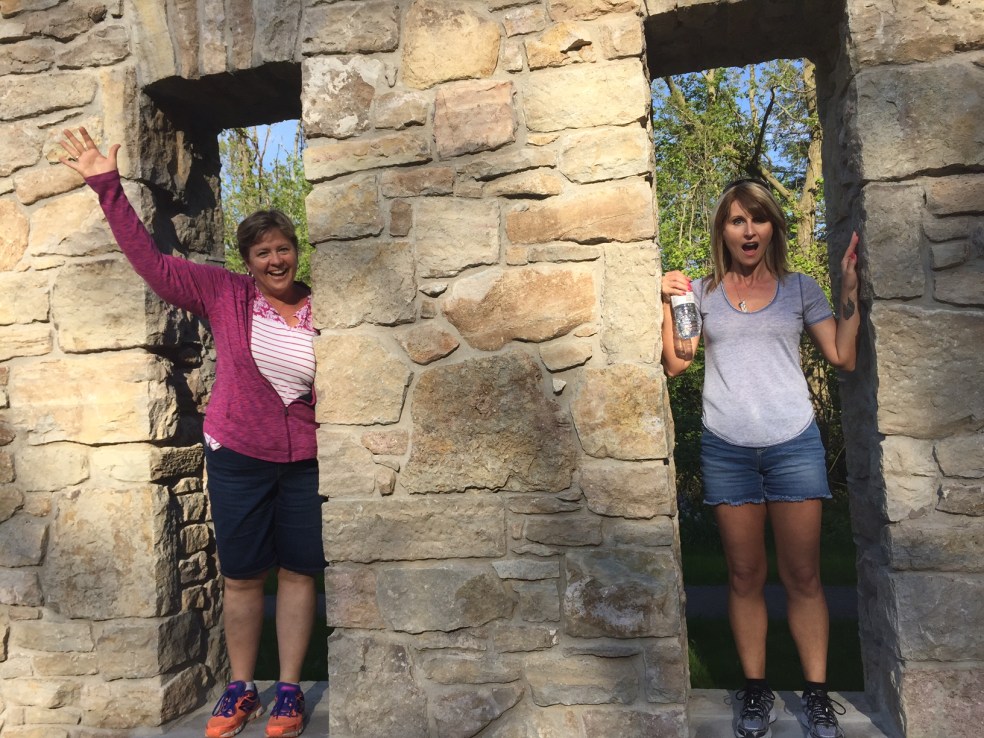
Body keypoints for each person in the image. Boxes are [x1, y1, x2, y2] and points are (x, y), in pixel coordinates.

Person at [60, 127, 321, 738]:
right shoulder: (225, 293)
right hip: (237, 455)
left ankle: (288, 691)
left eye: (283, 248)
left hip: (308, 459)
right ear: (247, 261)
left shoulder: (323, 306)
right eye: (262, 253)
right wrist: (108, 186)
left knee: (302, 572)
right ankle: (240, 687)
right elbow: (151, 263)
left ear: (296, 250)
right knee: (242, 574)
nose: (275, 261)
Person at [660, 179, 859, 738]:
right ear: (722, 230)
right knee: (745, 575)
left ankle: (817, 697)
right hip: (728, 448)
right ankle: (756, 693)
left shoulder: (800, 289)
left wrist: (848, 288)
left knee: (804, 576)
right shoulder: (701, 293)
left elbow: (842, 355)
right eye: (736, 221)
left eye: (759, 219)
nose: (749, 231)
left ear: (773, 226)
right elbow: (678, 362)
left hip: (794, 445)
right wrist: (672, 299)